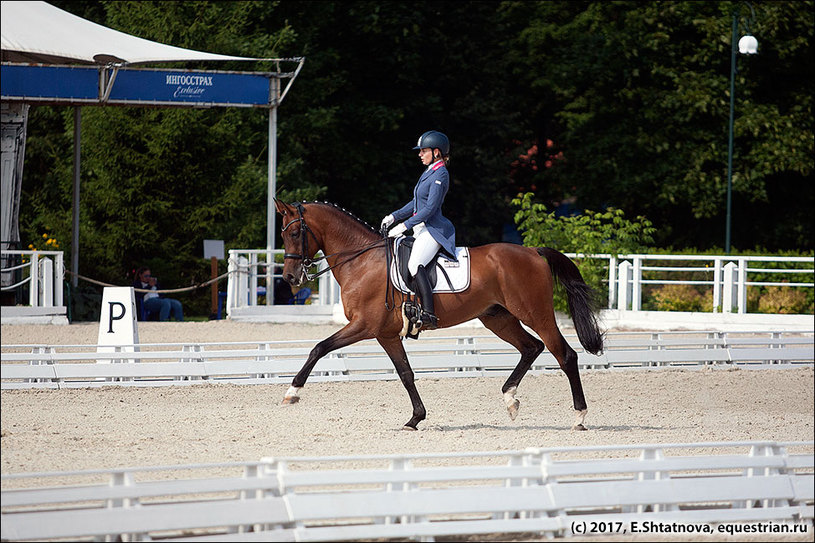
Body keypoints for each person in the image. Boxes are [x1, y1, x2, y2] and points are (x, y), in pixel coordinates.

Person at [381, 130, 456, 330]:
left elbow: (430, 209)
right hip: (422, 228)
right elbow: (416, 202)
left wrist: (405, 226)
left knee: (415, 264)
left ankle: (429, 314)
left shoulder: (441, 173)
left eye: (424, 151)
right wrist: (395, 216)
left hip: (434, 229)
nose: (420, 154)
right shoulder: (430, 171)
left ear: (437, 152)